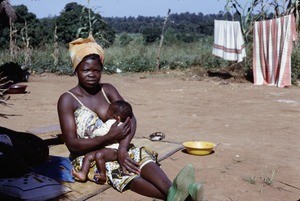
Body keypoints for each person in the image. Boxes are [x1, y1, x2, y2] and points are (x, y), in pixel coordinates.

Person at [57, 34, 204, 201]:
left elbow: (131, 119)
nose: (92, 74)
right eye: (86, 70)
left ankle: (173, 191)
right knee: (120, 172)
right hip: (88, 156)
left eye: (96, 70)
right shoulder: (67, 100)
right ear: (76, 70)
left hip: (117, 146)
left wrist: (122, 148)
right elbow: (72, 144)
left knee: (139, 156)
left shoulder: (107, 90)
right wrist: (108, 137)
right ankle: (185, 198)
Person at [71, 100, 133, 184]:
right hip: (107, 148)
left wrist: (92, 134)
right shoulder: (124, 125)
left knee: (99, 155)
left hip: (113, 150)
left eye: (109, 112)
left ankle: (103, 175)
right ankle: (82, 174)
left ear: (116, 117)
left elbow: (101, 133)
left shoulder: (112, 123)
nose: (106, 113)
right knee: (89, 156)